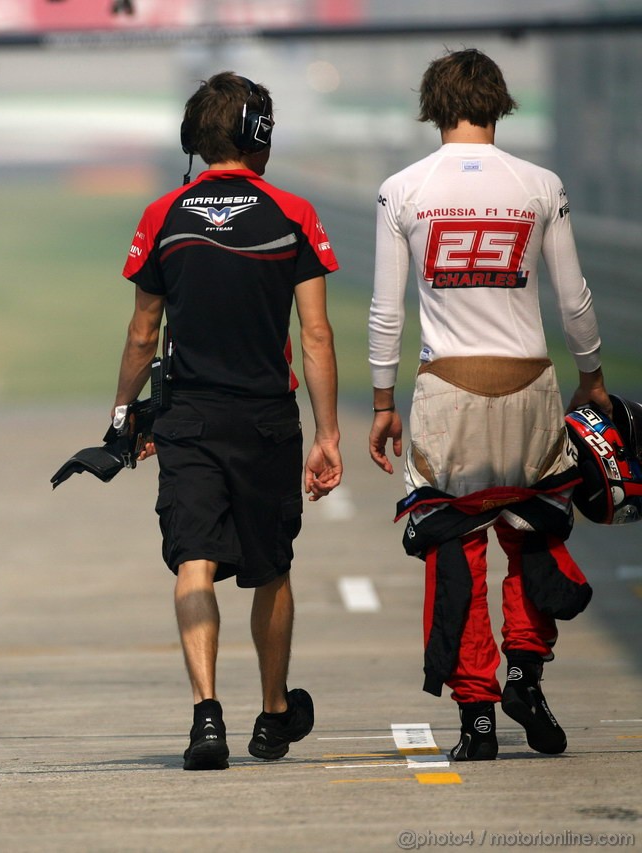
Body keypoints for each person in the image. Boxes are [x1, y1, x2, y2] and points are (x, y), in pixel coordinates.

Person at [368, 48, 608, 760]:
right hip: (531, 386)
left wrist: (383, 399)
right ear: (499, 103)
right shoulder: (541, 185)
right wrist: (591, 375)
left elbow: (387, 314)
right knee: (534, 535)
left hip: (448, 393)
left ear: (433, 106)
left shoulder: (401, 190)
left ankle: (476, 712)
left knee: (456, 551)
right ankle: (526, 676)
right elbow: (575, 300)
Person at [117, 72, 343, 770]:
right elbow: (314, 336)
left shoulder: (162, 215)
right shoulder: (295, 213)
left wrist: (125, 414)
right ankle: (274, 716)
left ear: (195, 139)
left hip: (187, 416)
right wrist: (329, 433)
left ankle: (205, 715)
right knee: (270, 570)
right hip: (267, 420)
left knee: (193, 562)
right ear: (260, 137)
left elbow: (142, 332)